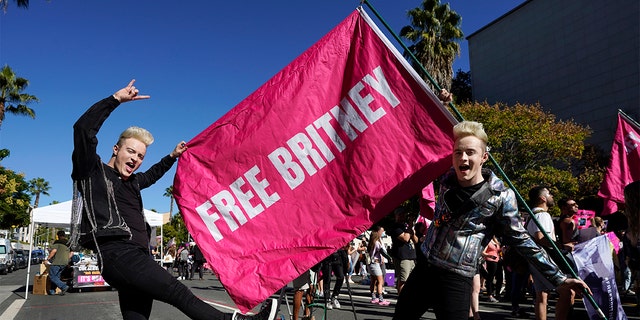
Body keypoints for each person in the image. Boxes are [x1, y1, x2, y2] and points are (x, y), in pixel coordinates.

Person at [69, 80, 277, 320]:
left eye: (140, 156)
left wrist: (172, 156)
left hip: (137, 256)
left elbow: (153, 175)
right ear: (116, 149)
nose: (135, 159)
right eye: (130, 151)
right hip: (118, 253)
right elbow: (83, 129)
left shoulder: (132, 182)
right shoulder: (92, 171)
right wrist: (115, 100)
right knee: (177, 292)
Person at [392, 121, 590, 320]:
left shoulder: (500, 196)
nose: (463, 158)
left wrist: (559, 278)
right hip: (424, 269)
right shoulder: (447, 178)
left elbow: (523, 240)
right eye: (458, 152)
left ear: (484, 157)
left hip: (456, 278)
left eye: (470, 152)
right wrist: (442, 102)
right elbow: (429, 138)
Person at [525, 186, 576, 320]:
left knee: (542, 295)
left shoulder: (531, 215)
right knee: (568, 291)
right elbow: (541, 238)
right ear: (542, 198)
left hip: (536, 261)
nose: (552, 196)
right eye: (549, 194)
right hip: (545, 261)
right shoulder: (542, 215)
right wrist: (563, 246)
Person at [388, 207, 418, 294]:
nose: (402, 216)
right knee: (403, 280)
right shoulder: (395, 227)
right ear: (396, 216)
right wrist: (410, 227)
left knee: (411, 281)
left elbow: (416, 240)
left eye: (403, 214)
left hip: (411, 256)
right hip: (402, 257)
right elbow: (405, 238)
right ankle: (401, 300)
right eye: (400, 214)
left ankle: (408, 299)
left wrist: (411, 229)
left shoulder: (406, 227)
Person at [368, 225, 392, 306]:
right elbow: (382, 252)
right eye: (381, 232)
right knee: (380, 281)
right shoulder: (377, 243)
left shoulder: (371, 242)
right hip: (375, 263)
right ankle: (381, 299)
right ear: (377, 233)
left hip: (370, 263)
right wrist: (389, 258)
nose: (382, 233)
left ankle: (374, 297)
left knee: (373, 281)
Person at [320, 245, 348, 309]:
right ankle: (327, 299)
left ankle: (334, 296)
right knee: (327, 278)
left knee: (341, 276)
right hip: (327, 256)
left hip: (338, 254)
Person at [45, 230, 72, 296]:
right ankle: (52, 291)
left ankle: (63, 286)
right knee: (56, 276)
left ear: (58, 236)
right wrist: (67, 259)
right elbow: (72, 253)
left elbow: (54, 251)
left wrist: (48, 259)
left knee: (52, 276)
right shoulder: (68, 243)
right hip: (65, 263)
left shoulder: (57, 242)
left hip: (57, 262)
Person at [482, 236, 503, 303]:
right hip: (490, 260)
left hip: (497, 260)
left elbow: (498, 250)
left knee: (500, 277)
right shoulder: (487, 240)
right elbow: (483, 252)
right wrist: (489, 256)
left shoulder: (495, 240)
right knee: (490, 278)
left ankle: (497, 294)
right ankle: (490, 295)